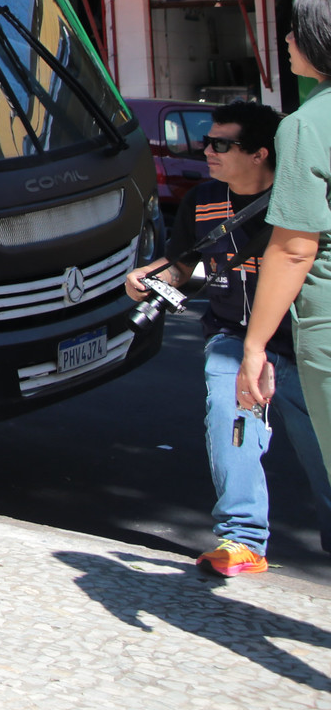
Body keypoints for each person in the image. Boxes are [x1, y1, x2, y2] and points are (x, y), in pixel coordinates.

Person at [127, 98, 331, 576]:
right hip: (232, 336)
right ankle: (242, 539)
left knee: (321, 450)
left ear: (260, 153)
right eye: (207, 142)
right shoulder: (201, 201)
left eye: (221, 144)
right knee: (229, 419)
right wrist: (153, 277)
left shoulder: (297, 199)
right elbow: (183, 264)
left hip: (297, 344)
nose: (207, 152)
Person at [241, 0, 331, 495]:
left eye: (297, 29)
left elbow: (295, 247)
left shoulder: (304, 126)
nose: (289, 39)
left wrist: (255, 346)